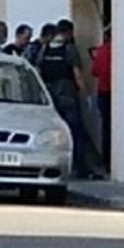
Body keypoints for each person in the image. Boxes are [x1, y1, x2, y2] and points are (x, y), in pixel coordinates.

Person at [37, 19, 90, 179]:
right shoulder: (69, 49)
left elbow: (38, 71)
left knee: (54, 134)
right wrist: (86, 94)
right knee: (76, 132)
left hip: (50, 98)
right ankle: (79, 167)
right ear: (68, 32)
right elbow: (77, 74)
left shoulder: (45, 49)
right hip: (67, 95)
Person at [93, 27, 112, 170]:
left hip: (103, 91)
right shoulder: (117, 51)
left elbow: (95, 71)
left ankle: (105, 160)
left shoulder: (101, 51)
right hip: (114, 92)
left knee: (105, 127)